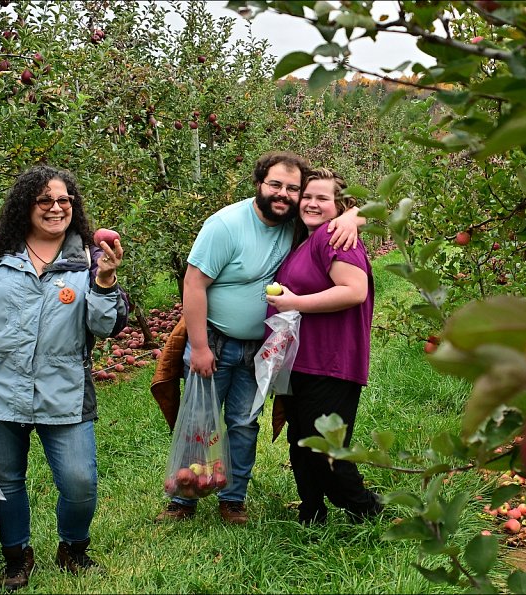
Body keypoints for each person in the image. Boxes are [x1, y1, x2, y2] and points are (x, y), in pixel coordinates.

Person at [0, 165, 128, 592]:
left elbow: (108, 326)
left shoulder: (89, 259)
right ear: (26, 206)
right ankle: (16, 555)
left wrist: (104, 282)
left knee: (80, 481)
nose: (56, 207)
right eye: (45, 200)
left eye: (64, 200)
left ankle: (73, 549)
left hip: (62, 390)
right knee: (7, 481)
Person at [155, 152, 362, 524]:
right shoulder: (226, 224)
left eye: (292, 188)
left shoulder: (297, 224)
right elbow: (193, 283)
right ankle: (183, 499)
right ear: (259, 184)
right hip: (215, 341)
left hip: (260, 349)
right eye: (275, 185)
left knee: (243, 423)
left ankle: (233, 498)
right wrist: (199, 346)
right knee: (199, 418)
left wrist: (352, 215)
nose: (284, 194)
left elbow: (346, 208)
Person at [264, 168, 382, 525]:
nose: (312, 203)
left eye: (323, 198)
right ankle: (311, 511)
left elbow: (353, 291)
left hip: (331, 359)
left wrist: (295, 302)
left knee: (324, 445)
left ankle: (365, 507)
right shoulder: (307, 237)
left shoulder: (333, 236)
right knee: (302, 442)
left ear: (339, 204)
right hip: (303, 360)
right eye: (308, 196)